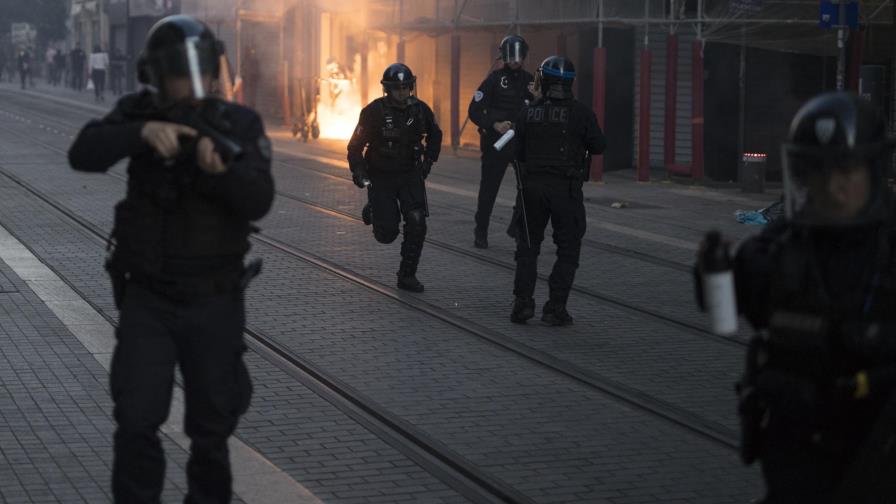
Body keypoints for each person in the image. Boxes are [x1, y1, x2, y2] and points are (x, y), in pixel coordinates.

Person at [67, 15, 274, 502]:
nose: (193, 87)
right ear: (158, 76)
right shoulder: (138, 111)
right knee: (136, 420)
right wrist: (141, 133)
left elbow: (259, 199)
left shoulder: (236, 124)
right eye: (182, 74)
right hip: (149, 298)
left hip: (215, 299)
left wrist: (221, 171)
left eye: (200, 72)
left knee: (211, 432)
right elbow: (84, 152)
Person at [697, 92, 896, 503]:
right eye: (820, 172)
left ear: (871, 170)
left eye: (847, 170)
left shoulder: (887, 253)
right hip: (795, 460)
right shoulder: (782, 244)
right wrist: (713, 273)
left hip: (872, 461)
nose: (834, 185)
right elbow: (727, 309)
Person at [510, 56, 606, 325]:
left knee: (528, 248)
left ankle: (523, 304)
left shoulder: (527, 113)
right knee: (568, 249)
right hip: (566, 190)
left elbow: (516, 153)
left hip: (531, 190)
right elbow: (599, 146)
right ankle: (555, 308)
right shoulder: (582, 113)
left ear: (544, 79)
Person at [347, 63, 442, 292]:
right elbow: (355, 146)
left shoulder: (420, 110)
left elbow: (435, 135)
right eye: (397, 88)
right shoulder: (373, 112)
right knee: (386, 234)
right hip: (381, 177)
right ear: (388, 90)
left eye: (405, 87)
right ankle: (375, 210)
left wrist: (429, 160)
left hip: (410, 174)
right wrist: (359, 172)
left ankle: (407, 275)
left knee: (417, 222)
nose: (402, 92)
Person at [468, 35, 535, 249]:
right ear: (504, 57)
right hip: (496, 142)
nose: (515, 60)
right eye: (511, 55)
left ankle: (516, 226)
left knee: (528, 187)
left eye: (518, 55)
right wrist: (494, 124)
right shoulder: (493, 80)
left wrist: (538, 97)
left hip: (521, 142)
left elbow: (541, 110)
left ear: (523, 56)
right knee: (489, 189)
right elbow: (474, 110)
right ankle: (481, 230)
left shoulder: (530, 81)